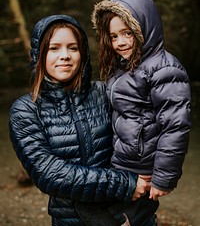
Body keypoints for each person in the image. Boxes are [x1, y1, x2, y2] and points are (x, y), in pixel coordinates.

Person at [9, 14, 158, 226]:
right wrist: (125, 184)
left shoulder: (104, 92)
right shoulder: (25, 110)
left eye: (73, 48)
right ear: (39, 54)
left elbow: (141, 135)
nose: (64, 56)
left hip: (132, 215)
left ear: (83, 54)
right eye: (54, 48)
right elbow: (49, 174)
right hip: (74, 219)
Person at [90, 0, 191, 202]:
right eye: (114, 36)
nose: (120, 42)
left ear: (145, 28)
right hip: (122, 163)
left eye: (128, 33)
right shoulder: (123, 67)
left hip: (143, 167)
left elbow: (175, 127)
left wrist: (163, 177)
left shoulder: (164, 69)